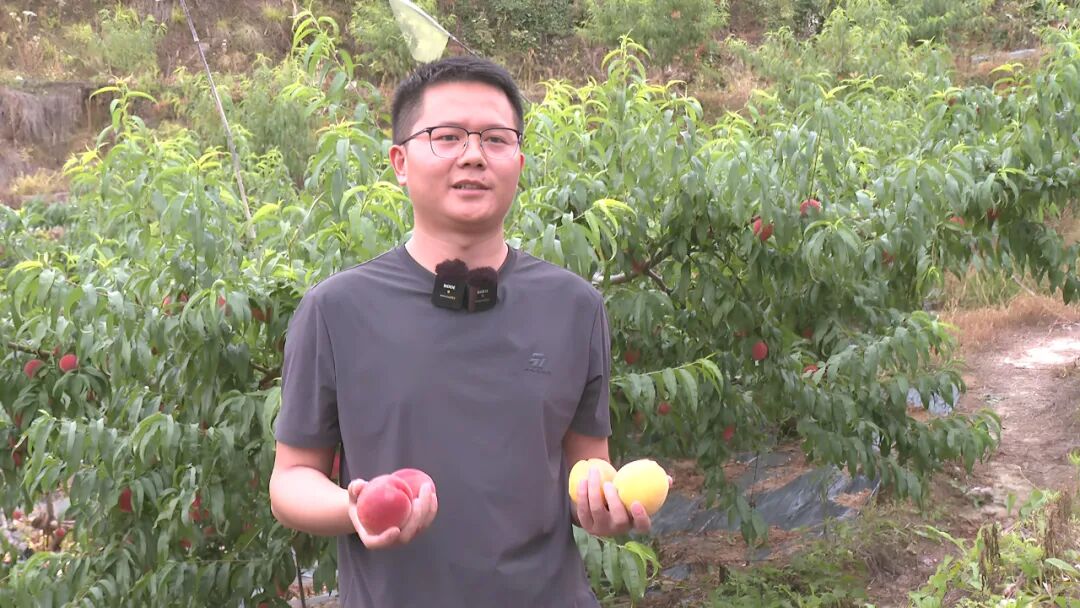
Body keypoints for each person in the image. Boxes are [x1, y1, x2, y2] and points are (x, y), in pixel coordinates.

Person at [269, 55, 656, 607]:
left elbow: (585, 467)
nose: (473, 155)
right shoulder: (336, 310)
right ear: (400, 162)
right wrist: (354, 507)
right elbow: (290, 480)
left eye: (496, 139)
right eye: (447, 136)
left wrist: (601, 506)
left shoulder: (575, 306)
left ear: (519, 162)